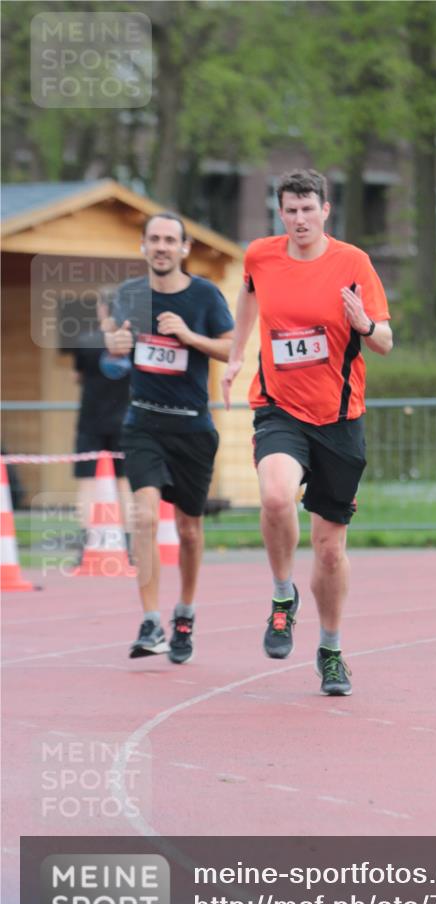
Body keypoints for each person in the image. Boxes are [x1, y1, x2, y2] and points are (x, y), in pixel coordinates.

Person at [222, 169, 393, 696]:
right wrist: (235, 354)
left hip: (339, 420)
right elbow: (249, 295)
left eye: (307, 209)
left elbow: (385, 341)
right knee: (275, 497)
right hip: (280, 410)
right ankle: (282, 596)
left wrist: (364, 324)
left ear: (325, 210)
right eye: (290, 210)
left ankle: (331, 650)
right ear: (280, 213)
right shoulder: (260, 256)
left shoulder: (353, 263)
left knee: (329, 550)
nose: (299, 219)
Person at [104, 212, 234, 663]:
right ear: (143, 246)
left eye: (169, 240)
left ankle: (185, 612)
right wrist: (114, 347)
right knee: (143, 516)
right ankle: (150, 620)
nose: (161, 247)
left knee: (189, 531)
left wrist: (189, 336)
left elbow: (231, 347)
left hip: (192, 428)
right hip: (142, 424)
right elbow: (115, 348)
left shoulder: (205, 295)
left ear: (184, 248)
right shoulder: (129, 294)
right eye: (154, 239)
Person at [70, 292, 132, 555]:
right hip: (126, 423)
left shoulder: (86, 342)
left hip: (91, 422)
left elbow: (77, 376)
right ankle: (130, 547)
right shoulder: (135, 343)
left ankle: (85, 547)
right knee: (125, 483)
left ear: (102, 309)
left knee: (86, 483)